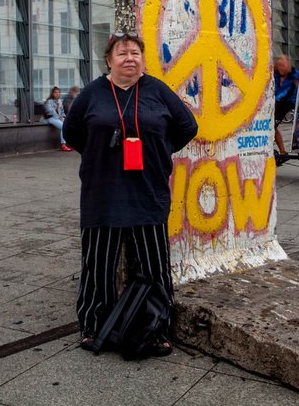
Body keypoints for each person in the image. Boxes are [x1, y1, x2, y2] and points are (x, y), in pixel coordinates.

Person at [63, 31, 198, 357]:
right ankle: (94, 326)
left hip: (147, 190)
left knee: (154, 266)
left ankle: (157, 329)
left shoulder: (156, 90)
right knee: (98, 265)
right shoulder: (93, 93)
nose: (129, 58)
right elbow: (72, 131)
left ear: (143, 59)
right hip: (102, 192)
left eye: (135, 53)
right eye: (122, 53)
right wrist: (99, 155)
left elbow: (187, 126)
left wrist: (159, 151)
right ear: (109, 60)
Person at [273, 55, 299, 155]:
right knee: (272, 126)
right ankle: (282, 151)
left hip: (289, 102)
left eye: (283, 65)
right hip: (278, 101)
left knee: (272, 125)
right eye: (279, 65)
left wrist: (274, 100)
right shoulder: (275, 75)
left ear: (288, 65)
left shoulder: (294, 75)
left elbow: (288, 92)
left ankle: (282, 151)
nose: (281, 68)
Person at [43, 86, 72, 151]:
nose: (57, 94)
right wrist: (59, 117)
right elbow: (51, 111)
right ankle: (63, 145)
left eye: (58, 92)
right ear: (52, 93)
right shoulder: (49, 101)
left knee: (69, 124)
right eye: (55, 92)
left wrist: (63, 117)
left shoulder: (59, 101)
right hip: (51, 118)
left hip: (58, 118)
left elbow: (62, 111)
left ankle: (70, 143)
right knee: (63, 126)